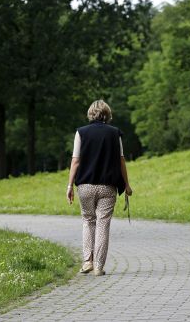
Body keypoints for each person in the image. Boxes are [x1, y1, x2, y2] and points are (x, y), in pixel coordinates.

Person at [66, 100, 133, 276]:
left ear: (90, 114)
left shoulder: (81, 132)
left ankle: (87, 261)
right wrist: (126, 184)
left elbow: (75, 160)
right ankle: (98, 266)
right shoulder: (115, 133)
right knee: (103, 224)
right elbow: (121, 160)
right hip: (107, 186)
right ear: (107, 114)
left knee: (88, 221)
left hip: (85, 186)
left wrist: (69, 185)